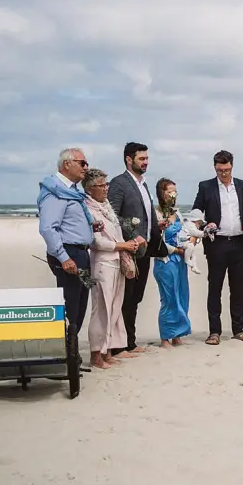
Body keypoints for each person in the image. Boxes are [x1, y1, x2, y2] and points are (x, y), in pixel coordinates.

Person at [191, 150, 243, 345]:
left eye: (227, 170)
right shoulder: (206, 186)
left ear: (232, 166)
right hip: (217, 243)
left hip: (240, 243)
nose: (224, 174)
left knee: (237, 289)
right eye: (220, 170)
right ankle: (214, 332)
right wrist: (204, 225)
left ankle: (238, 329)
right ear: (215, 168)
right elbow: (195, 212)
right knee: (215, 288)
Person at [38, 148, 95, 362]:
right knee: (71, 305)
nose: (86, 167)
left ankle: (71, 350)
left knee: (80, 305)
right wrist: (64, 258)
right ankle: (67, 353)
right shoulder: (56, 190)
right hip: (70, 253)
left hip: (82, 252)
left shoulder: (71, 190)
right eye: (82, 163)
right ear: (67, 164)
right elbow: (48, 229)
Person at [83, 168, 138, 368]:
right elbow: (96, 242)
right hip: (102, 262)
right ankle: (96, 353)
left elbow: (116, 232)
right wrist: (123, 246)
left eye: (106, 184)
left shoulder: (106, 206)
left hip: (116, 260)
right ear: (89, 189)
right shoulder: (87, 209)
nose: (106, 189)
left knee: (115, 306)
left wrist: (126, 246)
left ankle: (109, 349)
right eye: (101, 185)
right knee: (101, 309)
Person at [107, 142, 157, 356]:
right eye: (141, 159)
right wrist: (130, 236)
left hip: (144, 251)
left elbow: (146, 214)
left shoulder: (143, 183)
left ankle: (130, 341)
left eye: (146, 158)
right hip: (128, 250)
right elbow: (112, 215)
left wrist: (156, 227)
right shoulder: (119, 183)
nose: (146, 162)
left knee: (135, 298)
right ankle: (118, 345)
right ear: (129, 159)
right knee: (125, 297)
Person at [152, 179, 192, 347]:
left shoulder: (178, 214)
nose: (173, 195)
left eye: (175, 191)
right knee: (169, 298)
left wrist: (190, 242)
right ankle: (165, 336)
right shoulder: (156, 214)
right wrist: (176, 250)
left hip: (181, 261)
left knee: (182, 295)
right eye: (169, 191)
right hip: (166, 260)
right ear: (162, 193)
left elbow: (184, 232)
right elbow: (156, 241)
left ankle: (178, 334)